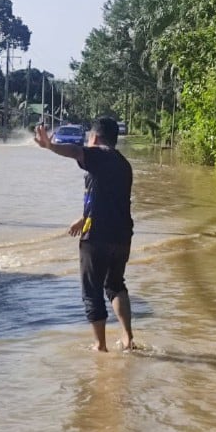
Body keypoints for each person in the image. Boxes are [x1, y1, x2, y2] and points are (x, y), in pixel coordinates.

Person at [34, 117, 135, 352]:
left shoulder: (99, 154)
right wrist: (84, 217)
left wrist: (50, 146)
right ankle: (128, 338)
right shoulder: (123, 163)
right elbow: (109, 197)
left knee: (92, 291)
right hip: (121, 236)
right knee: (115, 285)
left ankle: (100, 345)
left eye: (89, 137)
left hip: (97, 236)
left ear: (95, 137)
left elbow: (74, 151)